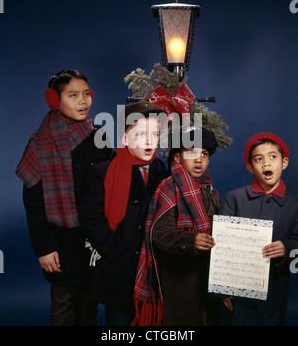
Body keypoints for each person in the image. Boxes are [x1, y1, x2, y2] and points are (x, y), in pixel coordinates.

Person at [15, 70, 112, 326]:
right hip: (61, 241)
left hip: (94, 238)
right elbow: (33, 204)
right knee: (62, 303)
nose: (83, 101)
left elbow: (111, 186)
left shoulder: (99, 135)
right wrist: (44, 248)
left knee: (89, 303)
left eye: (86, 94)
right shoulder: (39, 143)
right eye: (73, 95)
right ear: (55, 100)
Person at [79, 100, 168, 326]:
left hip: (150, 266)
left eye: (155, 134)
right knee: (118, 320)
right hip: (118, 266)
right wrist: (111, 249)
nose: (149, 140)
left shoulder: (163, 172)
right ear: (125, 139)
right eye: (140, 134)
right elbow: (92, 217)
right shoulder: (104, 171)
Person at [133, 125, 221, 326]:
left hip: (205, 274)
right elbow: (159, 233)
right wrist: (191, 241)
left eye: (204, 154)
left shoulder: (211, 191)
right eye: (191, 152)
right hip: (177, 277)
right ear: (177, 157)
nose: (198, 159)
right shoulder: (170, 187)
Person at [219, 133, 298, 326]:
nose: (266, 164)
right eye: (258, 159)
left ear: (284, 162)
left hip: (274, 295)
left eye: (273, 157)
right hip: (236, 295)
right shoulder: (233, 199)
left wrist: (286, 249)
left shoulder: (295, 206)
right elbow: (219, 246)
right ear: (250, 167)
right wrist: (222, 289)